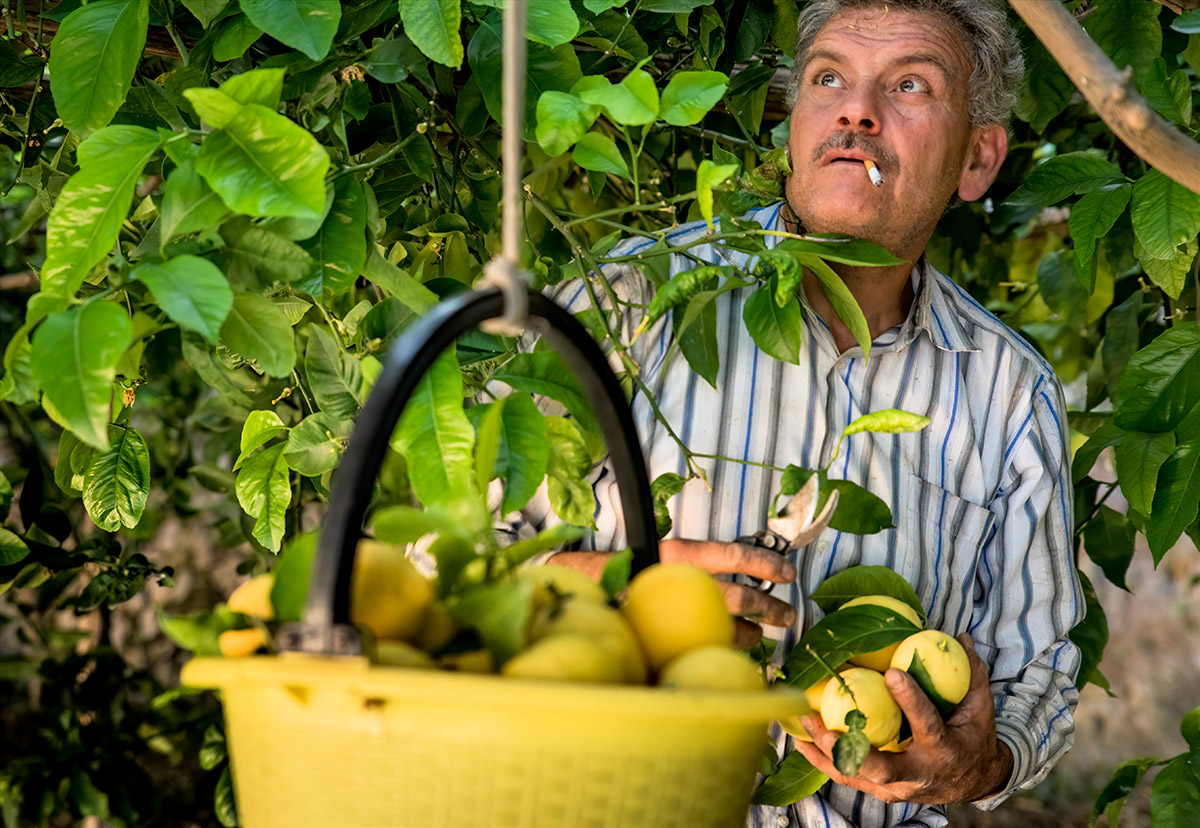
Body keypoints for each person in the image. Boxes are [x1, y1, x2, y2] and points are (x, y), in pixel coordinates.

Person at [516, 1, 1085, 825]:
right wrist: (621, 589)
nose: (857, 110)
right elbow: (436, 561)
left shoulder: (1006, 391)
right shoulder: (629, 301)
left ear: (977, 159)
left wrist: (974, 764)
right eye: (828, 78)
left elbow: (1037, 676)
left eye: (911, 85)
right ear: (794, 125)